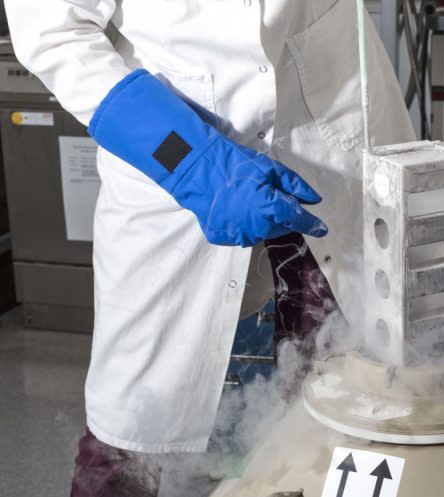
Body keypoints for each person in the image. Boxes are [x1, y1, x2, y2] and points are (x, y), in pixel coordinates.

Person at [4, 0, 414, 495]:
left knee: (353, 409)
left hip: (328, 139)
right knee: (137, 437)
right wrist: (193, 163)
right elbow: (54, 34)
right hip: (172, 161)